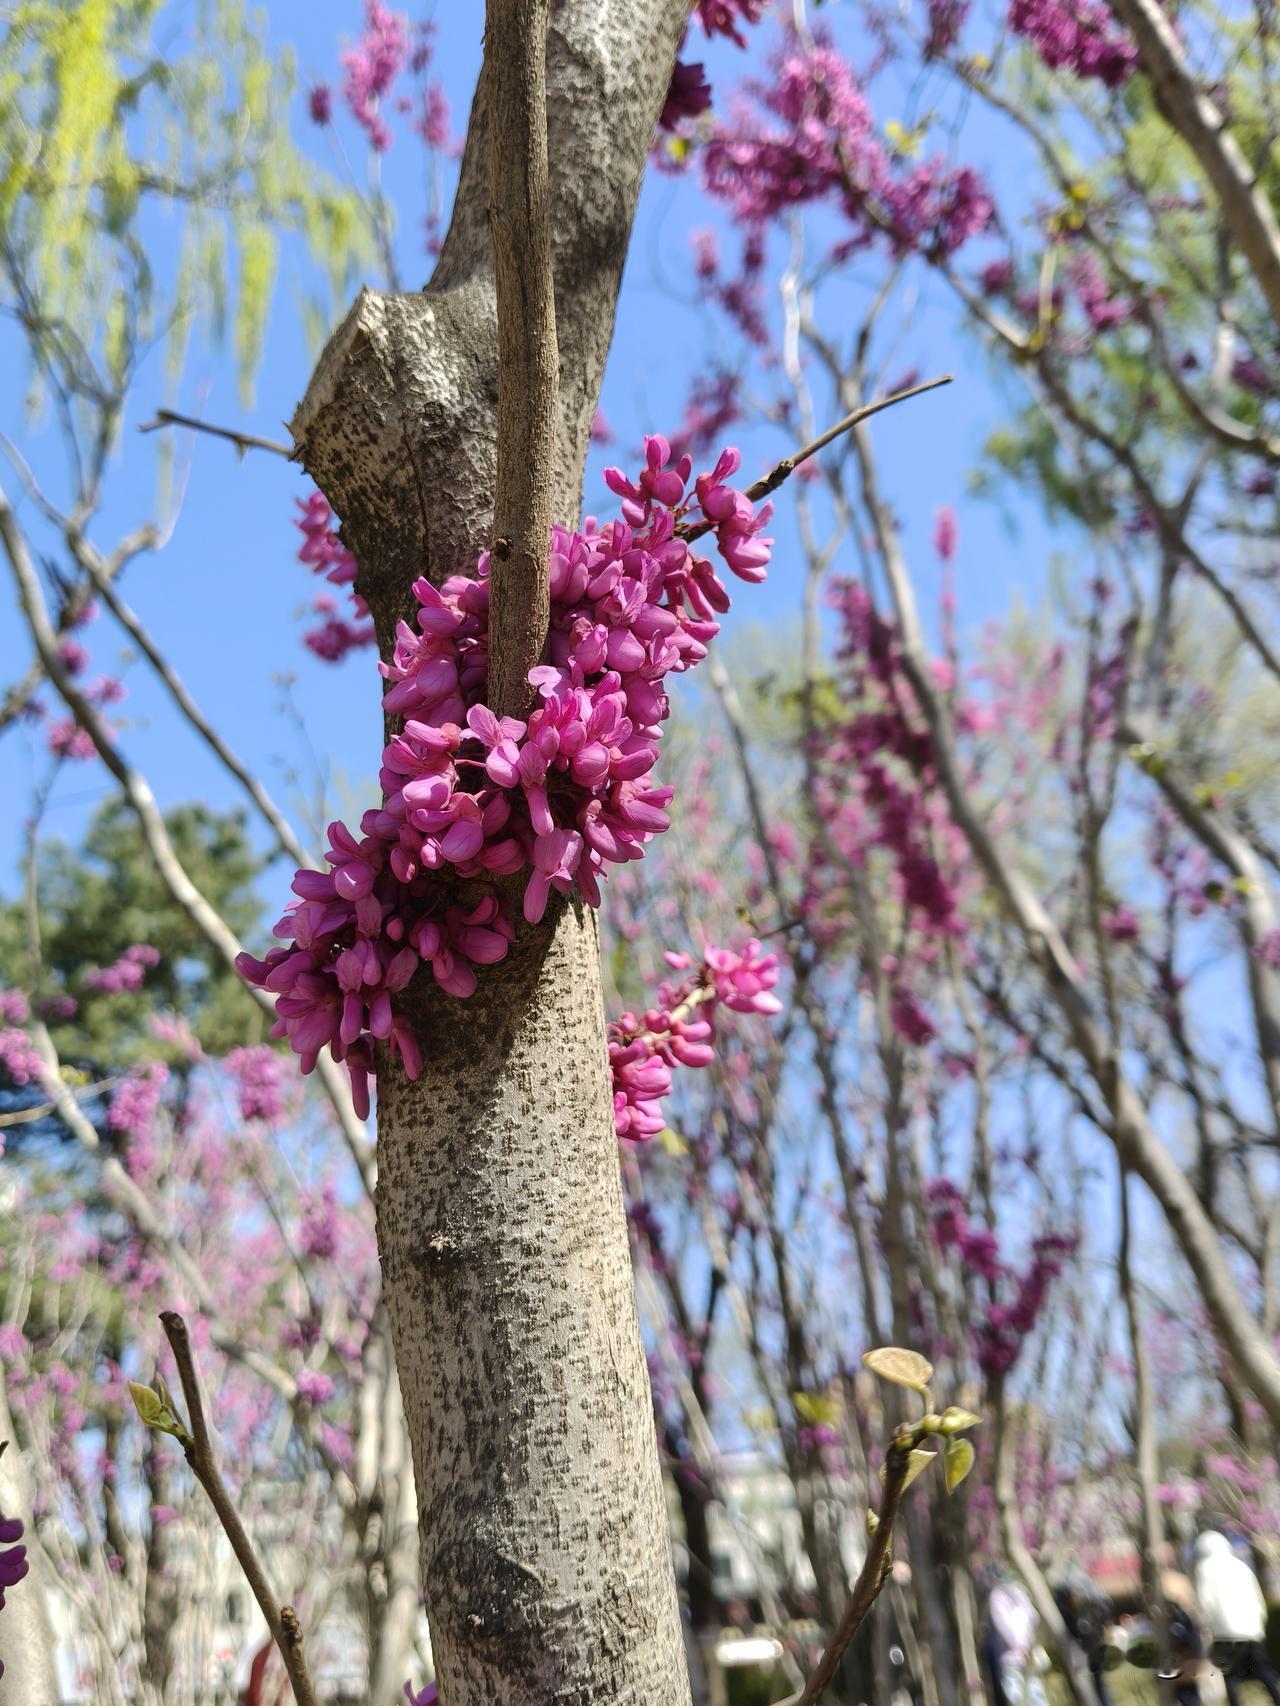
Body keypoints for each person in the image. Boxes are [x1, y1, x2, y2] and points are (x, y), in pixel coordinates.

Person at [1194, 1530, 1280, 1706]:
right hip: (1251, 1630)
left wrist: (1204, 1625)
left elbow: (1205, 1601)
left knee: (1230, 1676)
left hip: (1224, 1634)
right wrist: (1259, 1623)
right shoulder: (1241, 1566)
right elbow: (1257, 1597)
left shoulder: (1204, 1568)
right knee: (1263, 1671)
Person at [988, 1572, 1049, 1706]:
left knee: (1035, 1694)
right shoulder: (998, 1597)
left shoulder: (1019, 1593)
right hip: (1012, 1656)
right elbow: (1003, 1624)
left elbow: (1033, 1617)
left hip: (1027, 1654)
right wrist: (1021, 1646)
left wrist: (1027, 1645)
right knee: (1018, 1696)